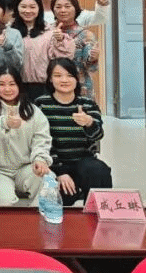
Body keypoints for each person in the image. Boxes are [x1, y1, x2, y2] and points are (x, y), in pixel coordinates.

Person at [35, 58, 113, 206]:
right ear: (50, 79)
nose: (64, 80)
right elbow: (40, 141)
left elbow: (98, 135)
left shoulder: (88, 104)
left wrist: (89, 123)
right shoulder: (41, 104)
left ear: (76, 79)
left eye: (69, 75)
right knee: (60, 197)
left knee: (98, 171)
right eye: (58, 75)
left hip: (83, 162)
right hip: (53, 164)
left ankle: (98, 211)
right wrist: (60, 171)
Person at [0, 64, 52, 207]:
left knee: (49, 180)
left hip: (26, 167)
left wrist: (40, 159)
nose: (7, 89)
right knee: (4, 202)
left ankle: (36, 217)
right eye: (2, 84)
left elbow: (42, 139)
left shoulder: (33, 111)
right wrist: (4, 123)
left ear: (19, 85)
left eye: (12, 84)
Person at [13, 0, 75, 101]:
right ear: (17, 8)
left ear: (39, 9)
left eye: (32, 7)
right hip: (15, 86)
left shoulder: (50, 32)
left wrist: (60, 40)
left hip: (44, 86)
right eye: (23, 7)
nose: (28, 11)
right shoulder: (10, 32)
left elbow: (64, 59)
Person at [51, 0, 100, 98]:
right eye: (58, 7)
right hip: (52, 88)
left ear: (76, 9)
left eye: (67, 6)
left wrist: (93, 58)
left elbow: (91, 69)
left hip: (80, 89)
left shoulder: (86, 35)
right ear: (53, 10)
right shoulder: (46, 32)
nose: (63, 10)